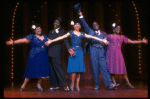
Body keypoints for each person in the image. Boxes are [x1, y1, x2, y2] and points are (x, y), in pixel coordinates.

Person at [45, 19, 109, 91]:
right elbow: (61, 37)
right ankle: (72, 84)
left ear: (80, 26)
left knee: (79, 70)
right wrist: (51, 41)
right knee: (73, 70)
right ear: (74, 26)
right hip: (73, 51)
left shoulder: (82, 33)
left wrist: (102, 40)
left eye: (78, 24)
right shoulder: (71, 32)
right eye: (76, 24)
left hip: (80, 52)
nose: (77, 25)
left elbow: (92, 37)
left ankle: (77, 85)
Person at [78, 12, 119, 90]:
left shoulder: (104, 33)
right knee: (95, 68)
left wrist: (107, 43)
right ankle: (97, 85)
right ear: (92, 27)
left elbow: (107, 42)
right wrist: (81, 16)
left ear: (98, 25)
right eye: (93, 25)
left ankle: (109, 84)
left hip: (101, 51)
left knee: (104, 68)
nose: (95, 26)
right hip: (93, 50)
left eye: (96, 24)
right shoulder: (90, 31)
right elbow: (84, 24)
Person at [6, 24, 50, 91]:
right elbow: (23, 40)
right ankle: (24, 84)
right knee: (31, 69)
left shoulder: (45, 36)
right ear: (34, 30)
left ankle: (39, 84)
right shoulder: (32, 36)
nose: (39, 30)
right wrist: (13, 42)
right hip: (34, 55)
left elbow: (51, 41)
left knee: (42, 70)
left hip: (43, 55)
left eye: (40, 28)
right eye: (37, 29)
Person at [106, 23, 148, 88]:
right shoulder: (109, 36)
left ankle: (128, 83)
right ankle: (114, 83)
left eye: (119, 28)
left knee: (123, 68)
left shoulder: (122, 37)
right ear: (114, 29)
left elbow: (132, 41)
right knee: (112, 69)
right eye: (117, 28)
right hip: (110, 54)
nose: (118, 29)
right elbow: (102, 40)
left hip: (118, 54)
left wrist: (141, 41)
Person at [47, 17, 75, 92]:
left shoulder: (62, 31)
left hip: (56, 52)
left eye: (57, 22)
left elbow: (65, 41)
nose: (55, 23)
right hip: (49, 52)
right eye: (55, 22)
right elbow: (48, 41)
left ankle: (65, 85)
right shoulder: (50, 32)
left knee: (59, 69)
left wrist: (69, 48)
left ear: (60, 24)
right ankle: (55, 85)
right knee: (52, 70)